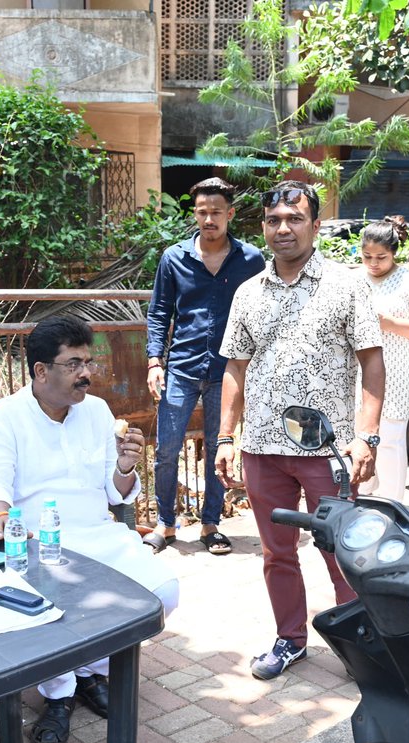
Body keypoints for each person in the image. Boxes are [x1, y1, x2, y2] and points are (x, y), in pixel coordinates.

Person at [0, 316, 179, 743]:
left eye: (88, 362)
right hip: (35, 543)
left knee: (162, 592)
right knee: (44, 610)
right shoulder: (5, 418)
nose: (86, 373)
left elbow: (115, 490)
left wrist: (125, 466)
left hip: (98, 535)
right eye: (73, 364)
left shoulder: (98, 411)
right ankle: (58, 693)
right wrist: (0, 518)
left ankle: (88, 671)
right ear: (41, 371)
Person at [216, 180, 386, 680]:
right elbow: (235, 370)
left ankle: (364, 645)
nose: (283, 228)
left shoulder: (348, 284)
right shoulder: (248, 292)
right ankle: (290, 639)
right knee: (276, 551)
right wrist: (227, 438)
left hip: (326, 451)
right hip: (263, 449)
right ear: (263, 226)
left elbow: (372, 366)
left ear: (315, 224)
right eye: (273, 220)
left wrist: (366, 436)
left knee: (344, 553)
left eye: (294, 218)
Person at [145, 177, 264, 555]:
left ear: (230, 214)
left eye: (216, 212)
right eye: (202, 212)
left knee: (219, 447)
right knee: (166, 449)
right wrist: (154, 361)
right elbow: (159, 312)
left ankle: (211, 524)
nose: (208, 219)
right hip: (180, 366)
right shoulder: (173, 258)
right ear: (194, 214)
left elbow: (262, 312)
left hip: (228, 370)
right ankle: (165, 525)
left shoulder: (251, 260)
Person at [355, 217, 409, 501]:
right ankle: (360, 502)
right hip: (358, 373)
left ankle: (392, 507)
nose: (373, 263)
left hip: (396, 371)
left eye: (381, 257)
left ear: (394, 253)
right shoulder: (354, 279)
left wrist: (387, 323)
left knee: (388, 442)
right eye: (367, 257)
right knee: (357, 437)